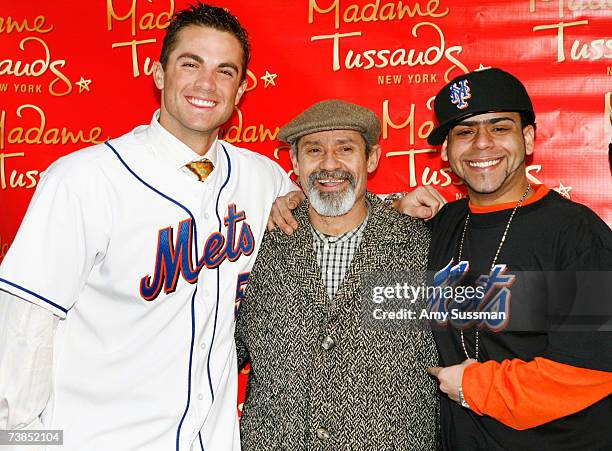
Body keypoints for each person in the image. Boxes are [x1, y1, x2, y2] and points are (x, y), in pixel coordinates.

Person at [0, 4, 294, 450]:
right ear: (158, 73)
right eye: (190, 63)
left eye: (224, 71)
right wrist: (25, 442)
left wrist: (394, 208)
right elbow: (24, 326)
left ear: (240, 90)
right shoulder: (83, 180)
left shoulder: (262, 177)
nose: (206, 84)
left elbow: (331, 214)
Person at [423, 68, 612, 450]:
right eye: (464, 131)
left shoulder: (577, 233)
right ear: (446, 152)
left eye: (498, 127)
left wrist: (475, 386)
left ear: (527, 139)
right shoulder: (444, 224)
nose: (481, 144)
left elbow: (594, 368)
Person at [235, 99, 439, 450]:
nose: (330, 165)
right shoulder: (253, 246)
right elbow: (216, 351)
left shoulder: (425, 243)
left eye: (345, 149)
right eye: (314, 150)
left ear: (371, 158)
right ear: (295, 163)